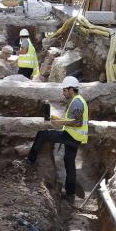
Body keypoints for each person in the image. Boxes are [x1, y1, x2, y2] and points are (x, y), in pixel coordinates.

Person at [25, 76, 88, 204]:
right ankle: (70, 195)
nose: (63, 93)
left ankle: (29, 161)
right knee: (69, 162)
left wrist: (58, 124)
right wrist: (59, 119)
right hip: (76, 137)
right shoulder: (76, 100)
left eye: (64, 90)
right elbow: (73, 120)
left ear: (71, 89)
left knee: (42, 134)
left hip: (72, 136)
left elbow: (77, 122)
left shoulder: (76, 102)